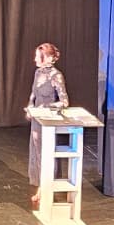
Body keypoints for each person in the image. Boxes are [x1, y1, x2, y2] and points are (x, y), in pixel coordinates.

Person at [23, 42, 69, 210]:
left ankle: (45, 190)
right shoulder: (38, 73)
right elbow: (33, 93)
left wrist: (45, 107)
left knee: (46, 154)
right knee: (37, 154)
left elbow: (64, 102)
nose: (35, 59)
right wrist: (30, 107)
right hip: (37, 118)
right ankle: (41, 188)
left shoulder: (56, 76)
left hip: (48, 120)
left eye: (38, 56)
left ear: (49, 58)